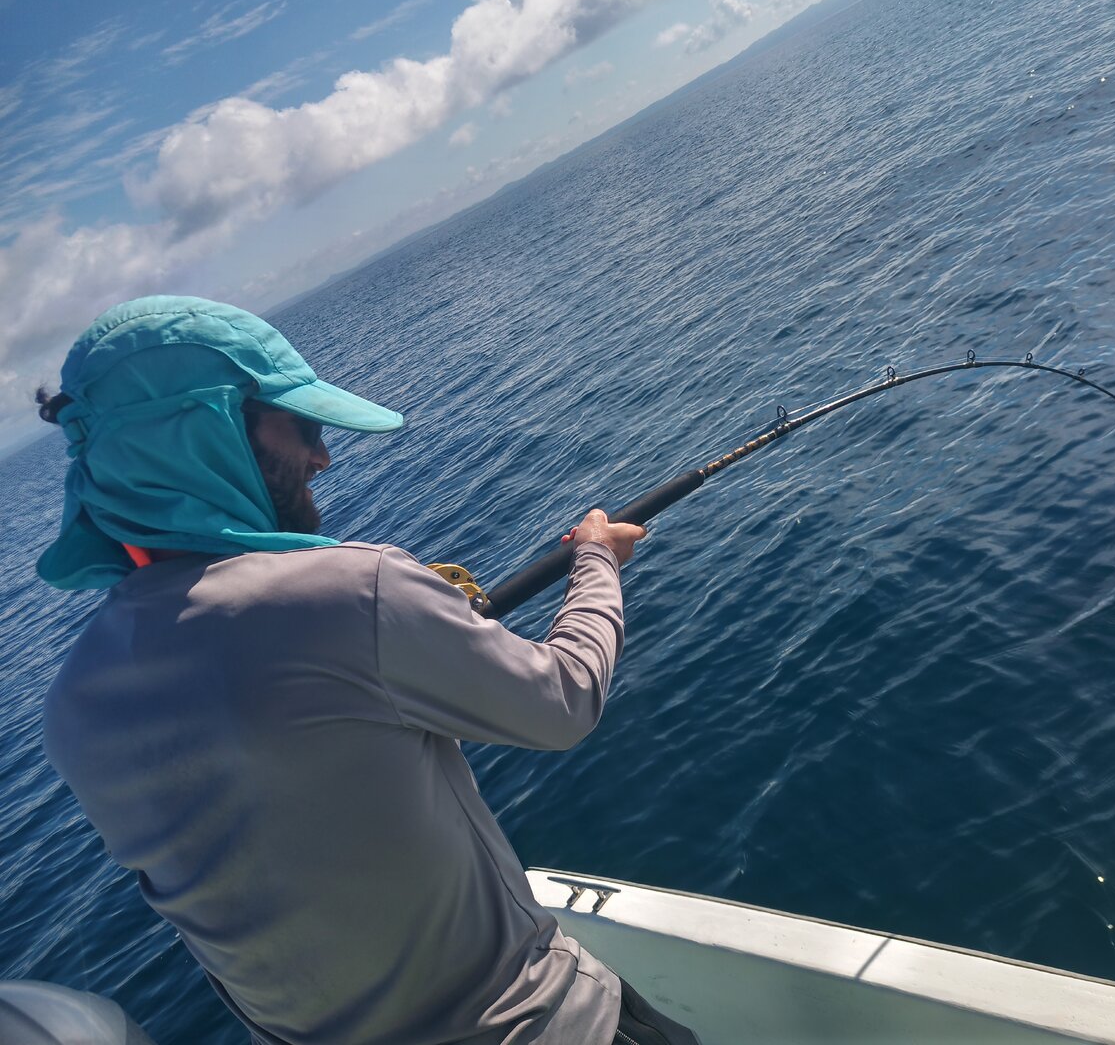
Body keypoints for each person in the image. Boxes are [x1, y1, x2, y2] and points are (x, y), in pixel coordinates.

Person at [36, 296, 699, 1044]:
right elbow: (564, 701)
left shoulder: (71, 711)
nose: (322, 456)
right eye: (303, 427)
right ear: (206, 430)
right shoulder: (351, 592)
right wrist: (598, 558)